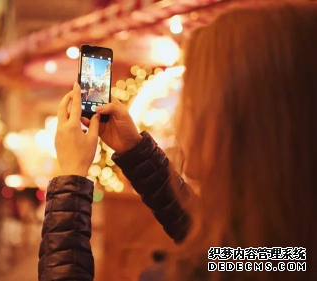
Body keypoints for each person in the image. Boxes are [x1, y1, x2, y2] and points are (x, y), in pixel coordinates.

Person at [38, 1, 316, 281]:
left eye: (190, 98)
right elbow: (219, 247)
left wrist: (71, 177)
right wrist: (136, 152)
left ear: (242, 123)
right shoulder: (288, 254)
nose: (177, 116)